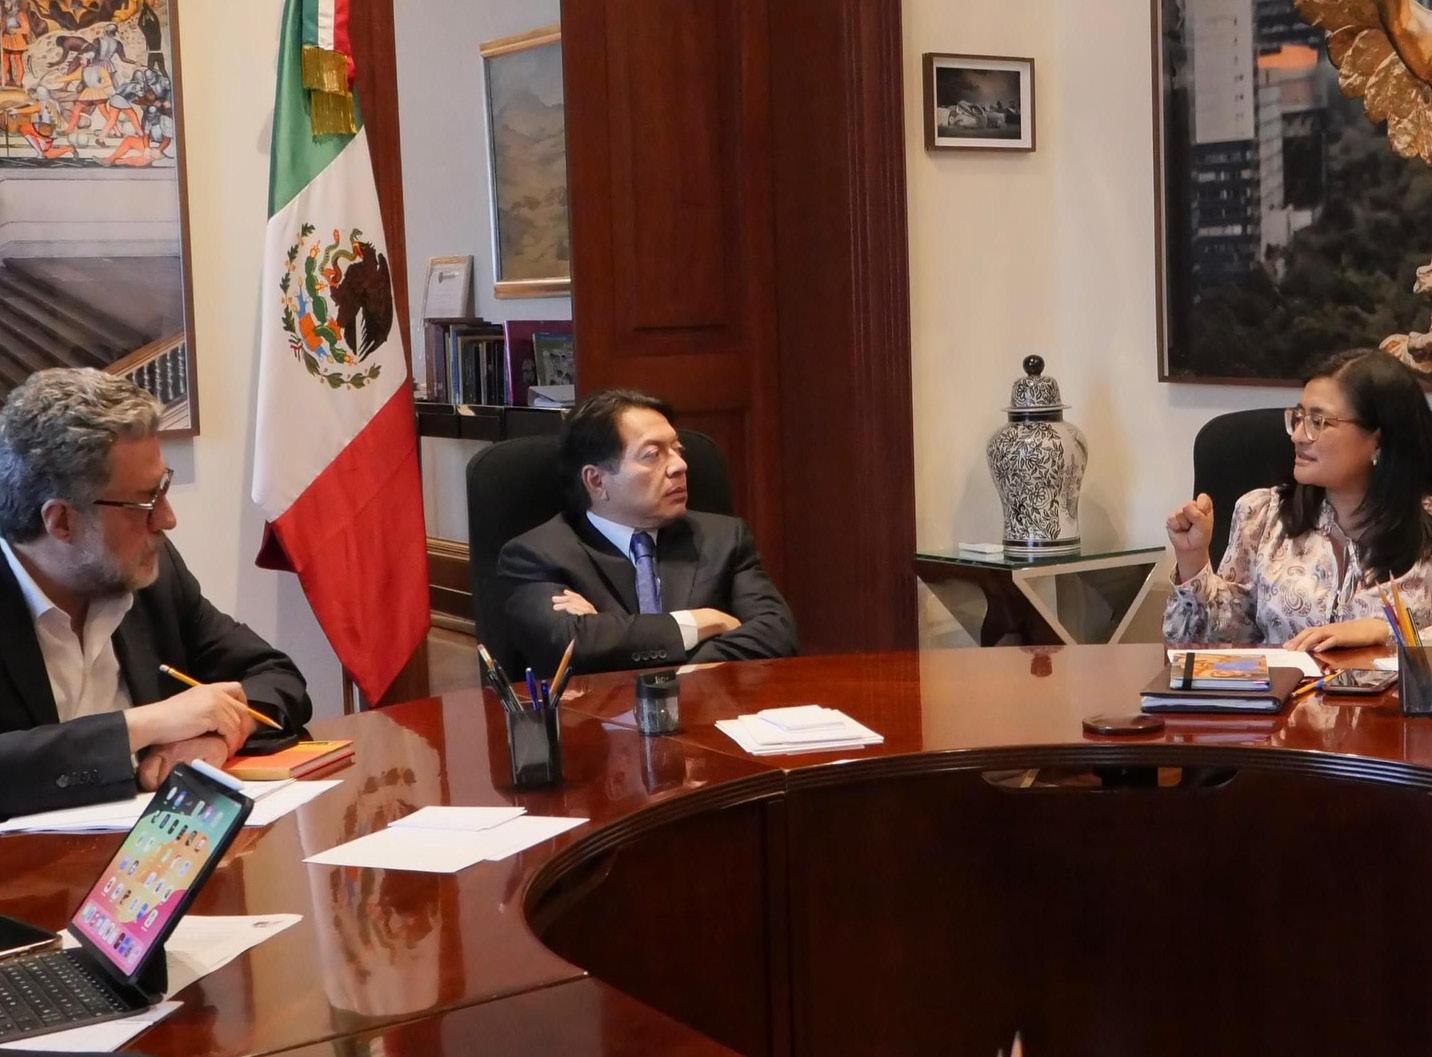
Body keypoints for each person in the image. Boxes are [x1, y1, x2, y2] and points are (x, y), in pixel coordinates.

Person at [0, 368, 311, 817]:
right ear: (61, 521)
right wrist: (143, 725)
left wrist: (218, 733)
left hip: (156, 848)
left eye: (163, 487)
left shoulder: (151, 575)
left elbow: (273, 674)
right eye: (144, 502)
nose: (167, 519)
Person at [497, 388, 798, 675]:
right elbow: (573, 644)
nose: (679, 466)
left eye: (677, 450)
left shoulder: (723, 538)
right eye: (653, 454)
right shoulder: (536, 555)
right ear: (597, 481)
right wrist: (702, 622)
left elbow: (776, 634)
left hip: (709, 705)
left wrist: (624, 640)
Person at [1164, 348, 1432, 650]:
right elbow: (1206, 645)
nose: (1298, 436)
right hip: (1285, 682)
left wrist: (1386, 633)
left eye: (1318, 422)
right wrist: (1193, 558)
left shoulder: (1425, 528)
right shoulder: (1263, 516)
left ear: (1378, 440)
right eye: (1299, 417)